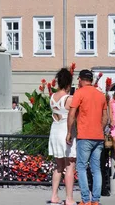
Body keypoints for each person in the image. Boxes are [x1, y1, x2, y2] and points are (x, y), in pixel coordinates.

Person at [67, 69, 107, 205]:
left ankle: (85, 200)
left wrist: (68, 132)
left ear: (80, 79)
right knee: (96, 169)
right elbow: (105, 117)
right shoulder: (101, 95)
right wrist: (99, 129)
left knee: (81, 167)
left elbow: (71, 114)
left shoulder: (79, 93)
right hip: (98, 137)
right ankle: (95, 200)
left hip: (85, 136)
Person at [48, 68, 76, 205]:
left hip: (54, 130)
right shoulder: (69, 99)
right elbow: (73, 116)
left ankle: (54, 195)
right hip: (66, 132)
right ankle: (69, 198)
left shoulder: (52, 97)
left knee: (58, 166)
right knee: (70, 166)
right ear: (69, 83)